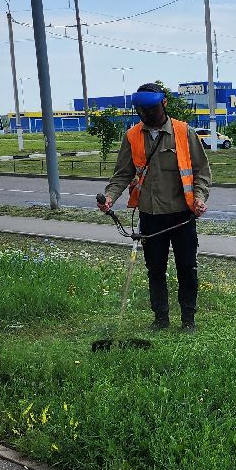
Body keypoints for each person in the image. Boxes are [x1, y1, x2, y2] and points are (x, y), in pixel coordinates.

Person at [98, 83, 212, 330]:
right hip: (150, 216)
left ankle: (188, 321)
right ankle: (160, 319)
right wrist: (109, 197)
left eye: (151, 109)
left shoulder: (184, 132)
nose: (147, 115)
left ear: (164, 104)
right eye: (141, 110)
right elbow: (122, 174)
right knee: (155, 270)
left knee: (187, 268)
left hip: (182, 215)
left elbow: (202, 171)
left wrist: (200, 198)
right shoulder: (132, 136)